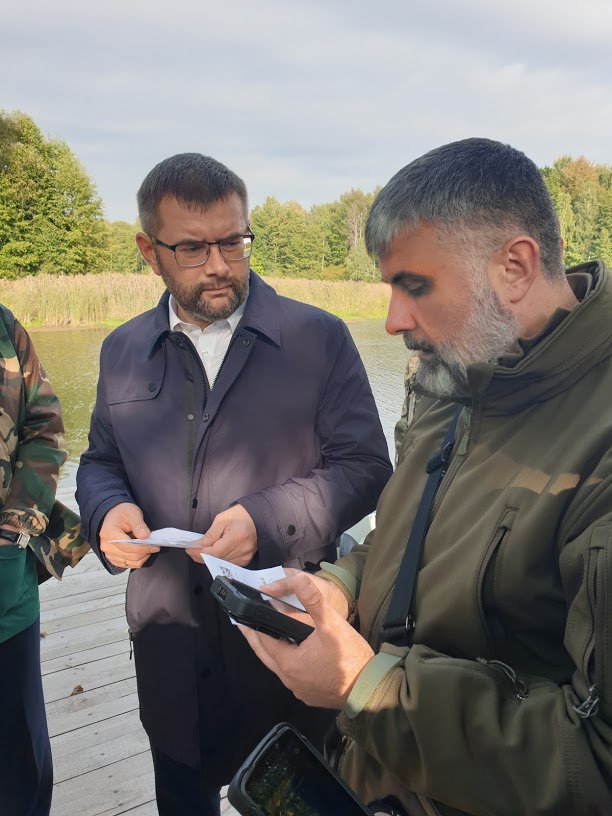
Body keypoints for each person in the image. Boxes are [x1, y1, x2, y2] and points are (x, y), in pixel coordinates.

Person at [240, 137, 612, 815]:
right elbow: (407, 526)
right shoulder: (451, 372)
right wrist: (340, 586)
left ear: (515, 267)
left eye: (415, 287)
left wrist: (365, 686)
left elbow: (595, 762)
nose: (393, 322)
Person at [75, 153, 392, 815]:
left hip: (285, 646)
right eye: (192, 248)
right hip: (167, 642)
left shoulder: (319, 339)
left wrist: (264, 520)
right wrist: (106, 511)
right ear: (149, 252)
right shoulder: (121, 350)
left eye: (233, 241)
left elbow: (365, 468)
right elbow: (100, 461)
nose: (218, 264)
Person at [0, 304, 66, 816]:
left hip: (8, 596)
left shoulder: (4, 328)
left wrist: (14, 534)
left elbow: (44, 428)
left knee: (21, 770)